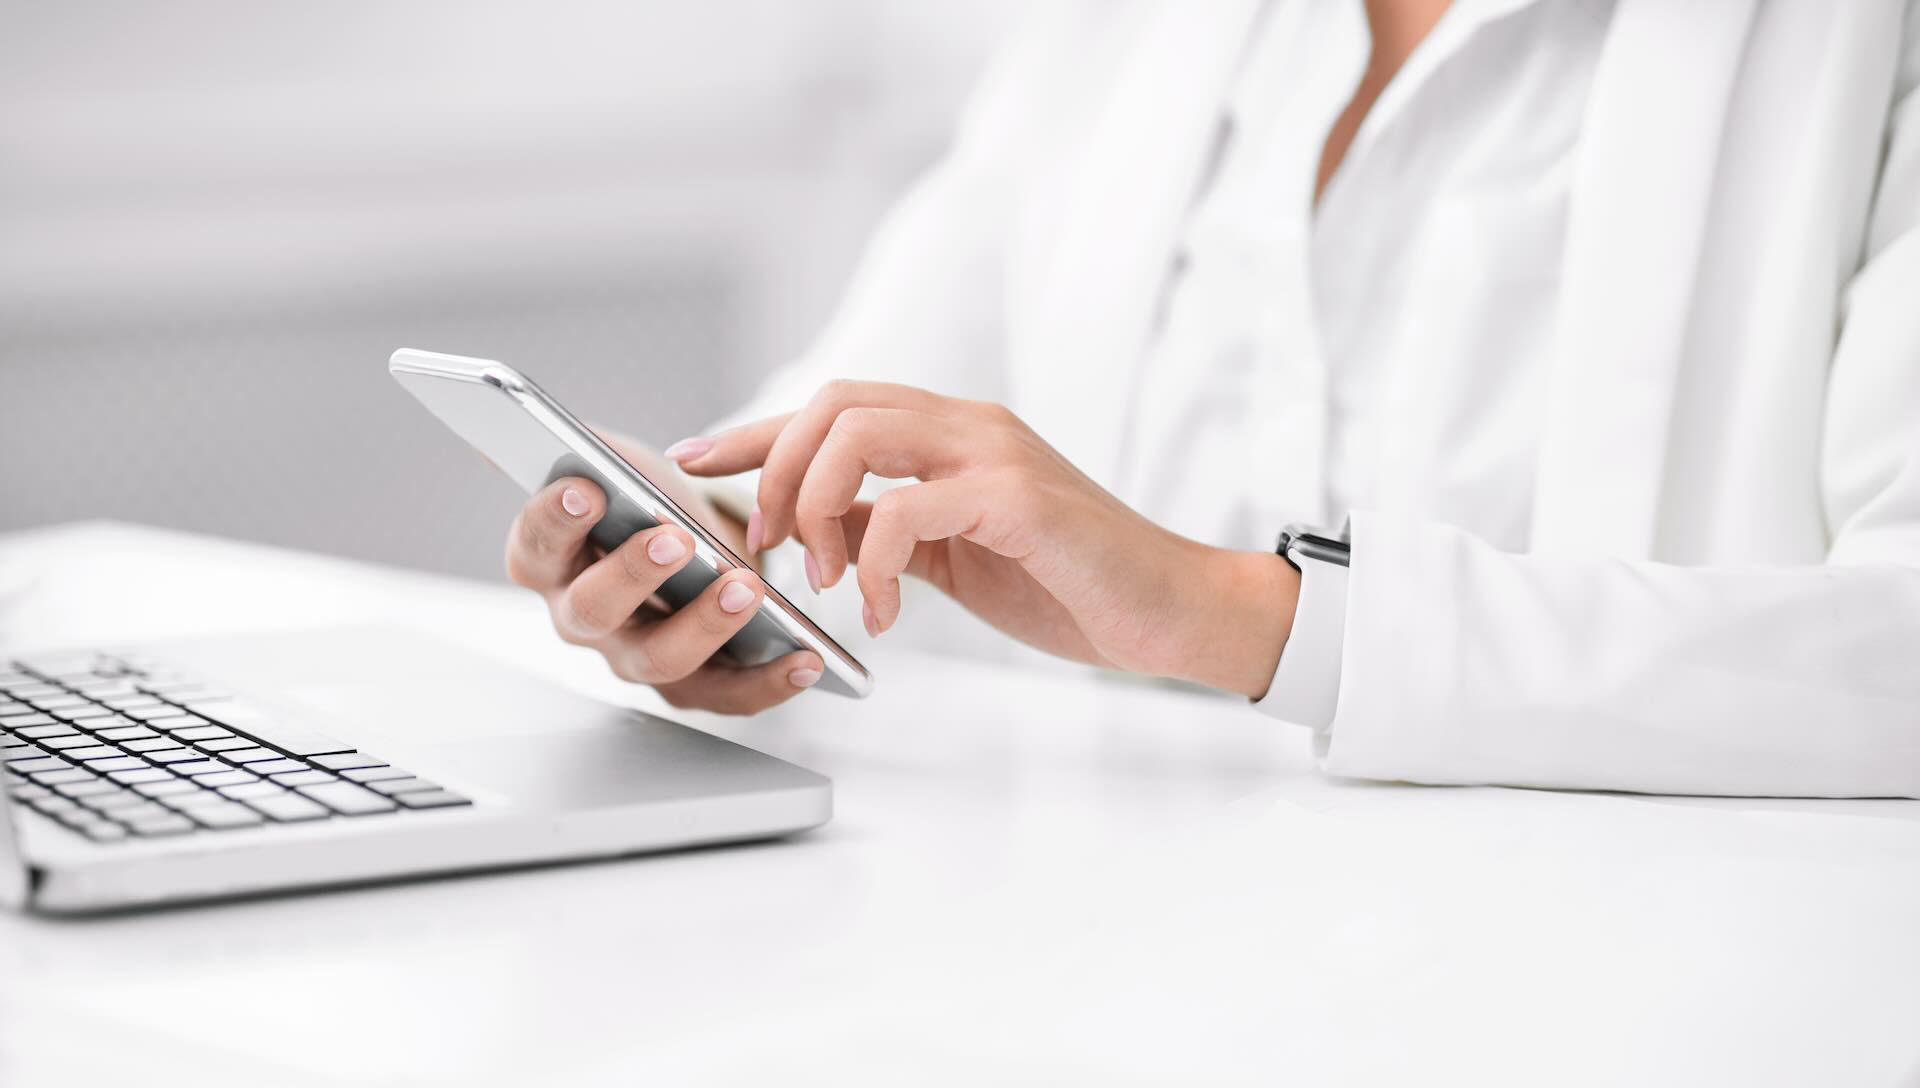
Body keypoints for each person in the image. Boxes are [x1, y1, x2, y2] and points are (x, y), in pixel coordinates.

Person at [504, 0, 1920, 798]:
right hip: (1111, 961)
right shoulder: (1129, 34)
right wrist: (709, 551)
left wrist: (1230, 611)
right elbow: (853, 416)